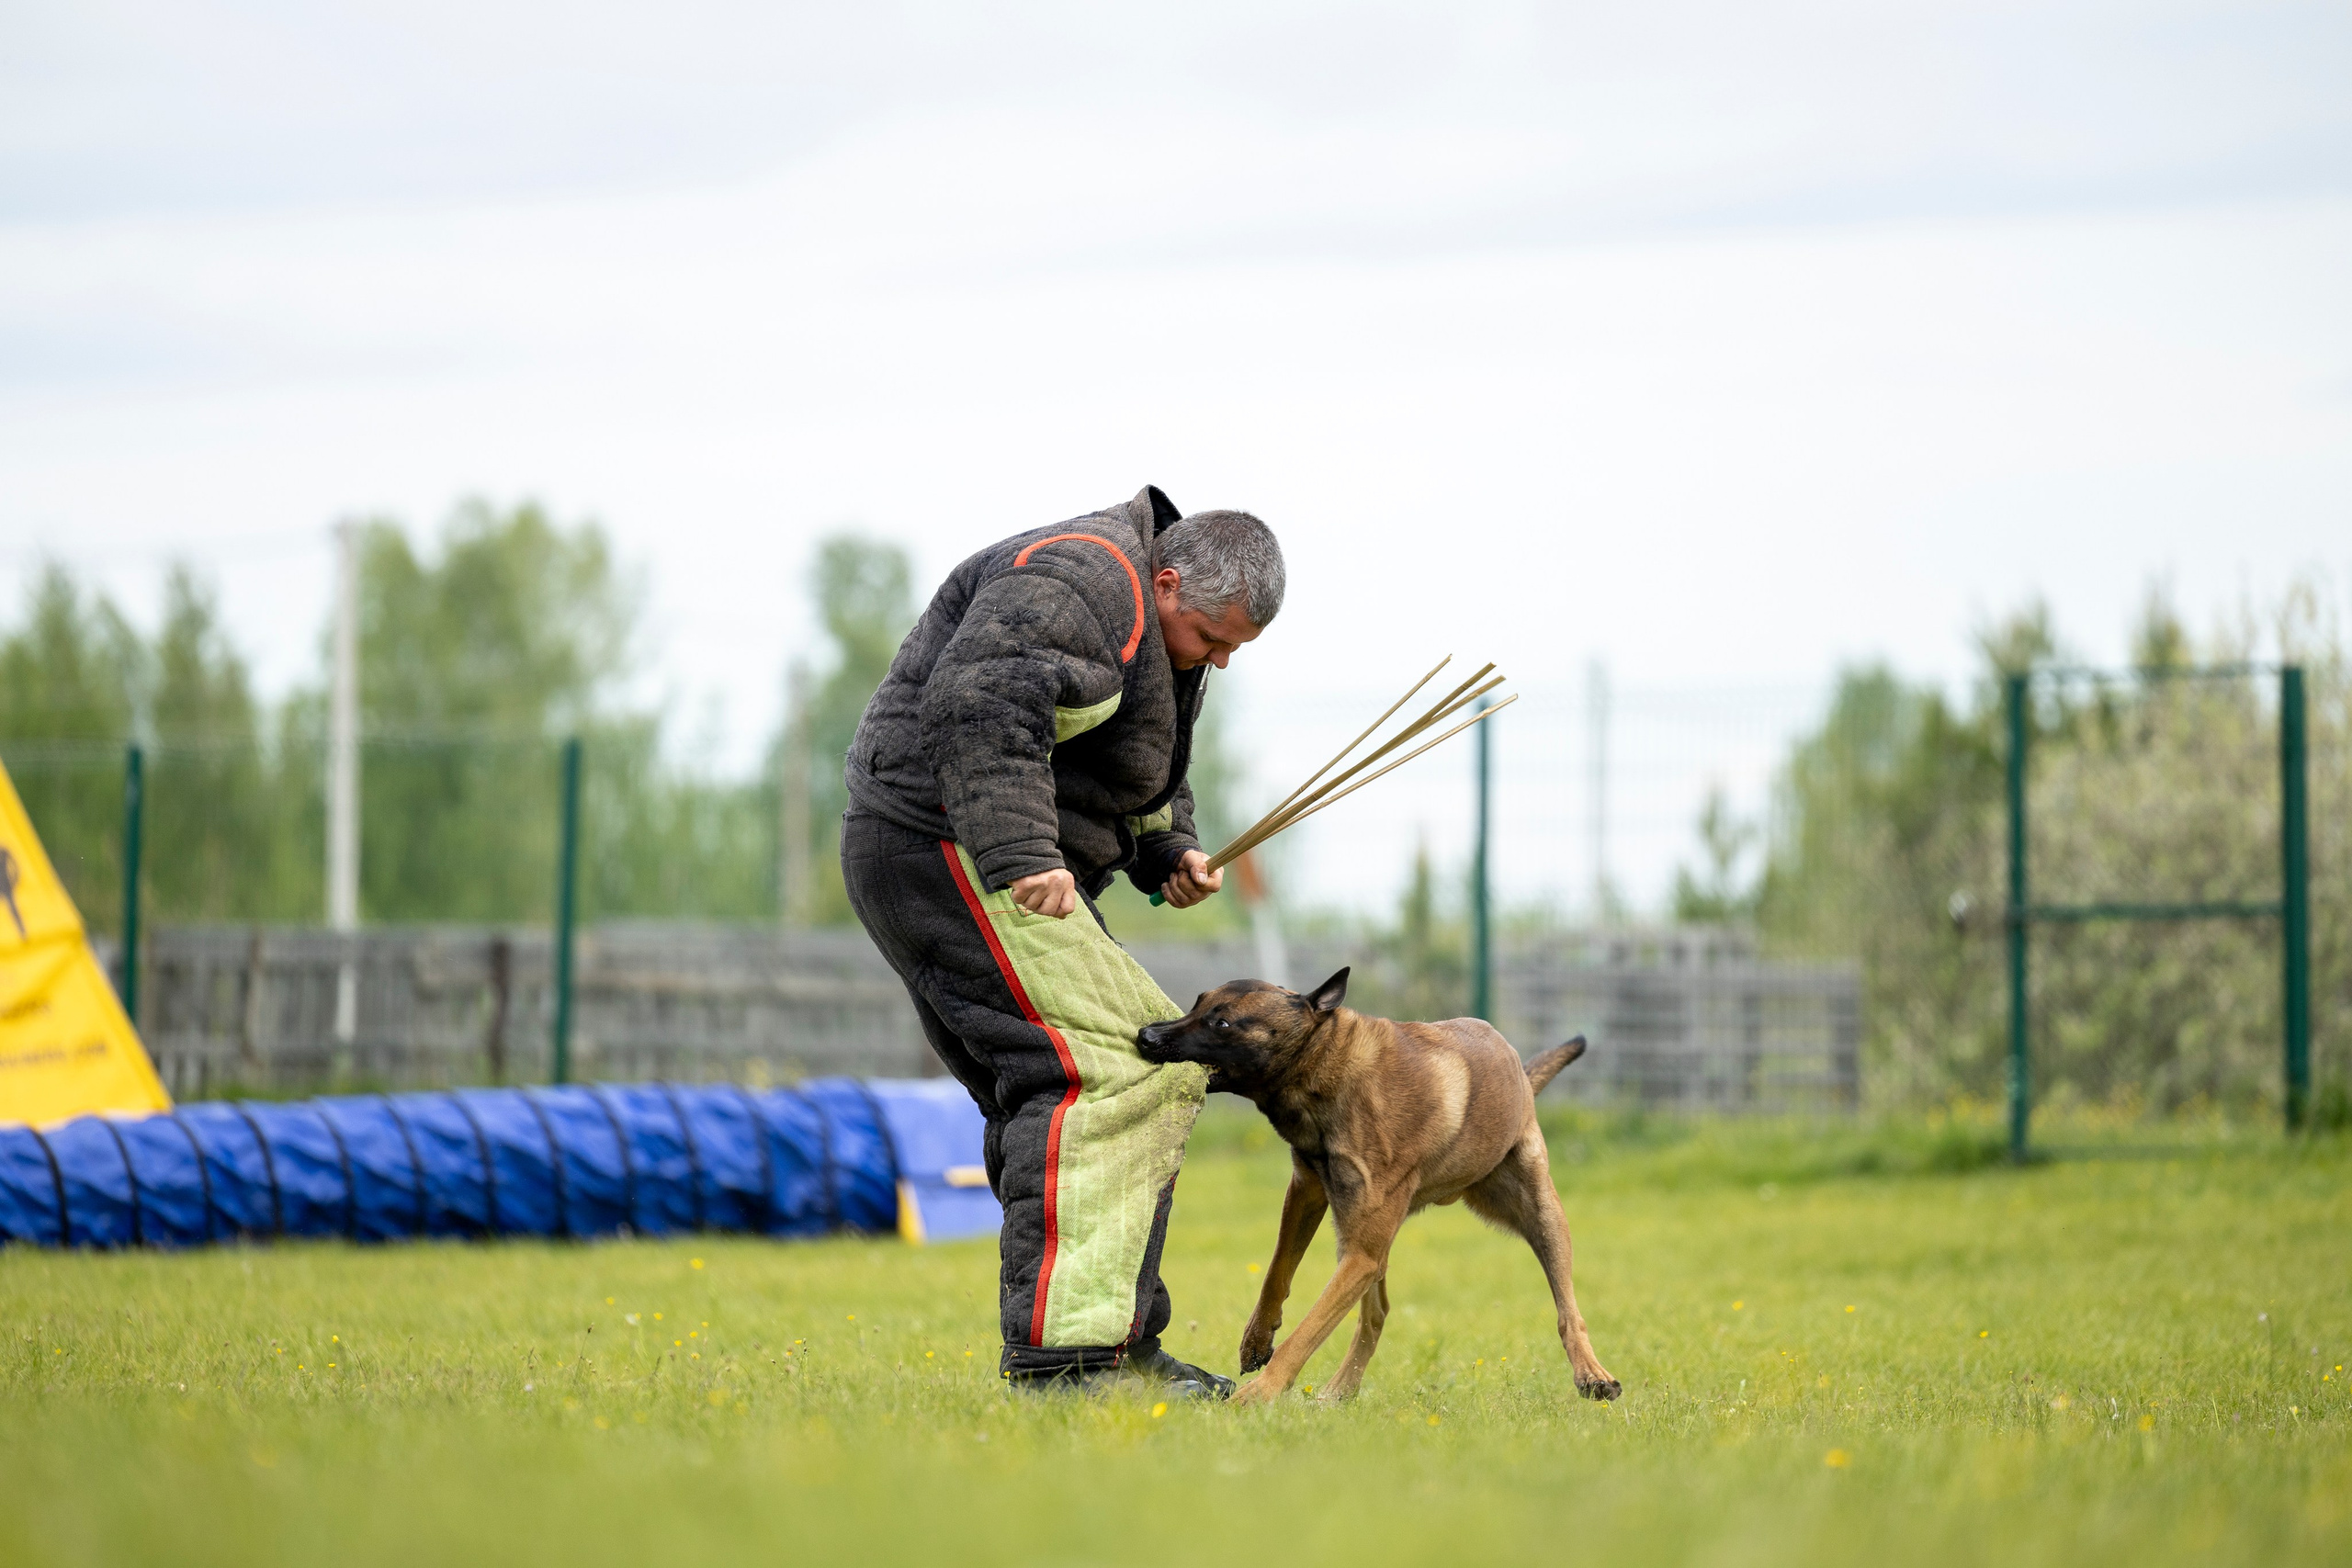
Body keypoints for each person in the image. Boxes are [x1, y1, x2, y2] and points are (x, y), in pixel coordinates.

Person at [840, 484, 1283, 1396]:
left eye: (1235, 650)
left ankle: (1110, 1347)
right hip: (946, 843)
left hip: (975, 853)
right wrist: (1020, 851)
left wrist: (1171, 849)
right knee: (1120, 1066)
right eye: (1214, 641)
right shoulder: (1081, 581)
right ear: (1166, 584)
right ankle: (1073, 1362)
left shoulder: (1153, 623)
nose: (1219, 663)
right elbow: (980, 707)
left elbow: (1135, 759)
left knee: (1117, 1068)